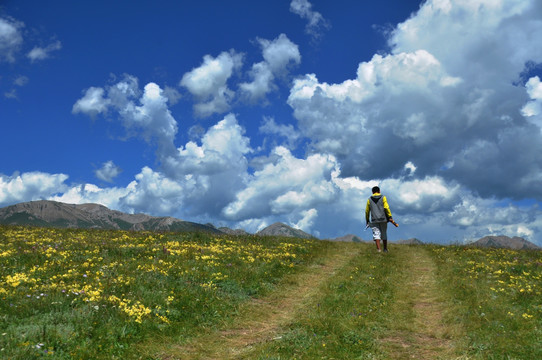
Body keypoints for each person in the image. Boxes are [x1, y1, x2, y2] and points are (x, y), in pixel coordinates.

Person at [365, 186, 394, 252]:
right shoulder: (383, 197)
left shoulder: (369, 199)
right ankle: (385, 249)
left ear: (372, 192)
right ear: (379, 191)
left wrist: (367, 220)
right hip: (383, 219)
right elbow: (386, 207)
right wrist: (390, 217)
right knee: (384, 233)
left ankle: (379, 249)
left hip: (374, 219)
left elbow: (367, 211)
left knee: (376, 234)